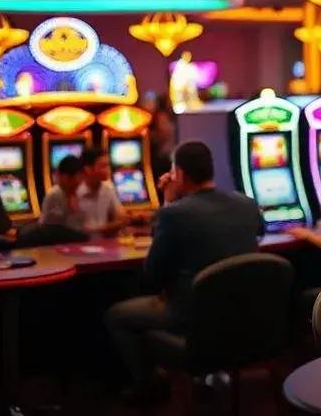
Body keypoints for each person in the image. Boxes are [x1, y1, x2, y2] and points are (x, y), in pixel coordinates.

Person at [104, 141, 264, 401]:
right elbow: (258, 232)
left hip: (195, 319)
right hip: (245, 315)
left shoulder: (174, 214)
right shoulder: (246, 203)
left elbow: (152, 277)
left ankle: (148, 388)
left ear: (179, 175)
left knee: (116, 316)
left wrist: (168, 204)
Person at [76, 147, 129, 236]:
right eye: (103, 166)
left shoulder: (108, 188)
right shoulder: (76, 192)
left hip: (104, 245)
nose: (108, 170)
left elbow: (121, 217)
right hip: (79, 244)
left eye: (108, 165)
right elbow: (79, 230)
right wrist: (108, 227)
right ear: (88, 169)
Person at [38, 154, 87, 231]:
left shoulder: (81, 192)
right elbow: (51, 228)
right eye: (73, 180)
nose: (78, 183)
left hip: (77, 238)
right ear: (63, 176)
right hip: (55, 239)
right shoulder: (54, 194)